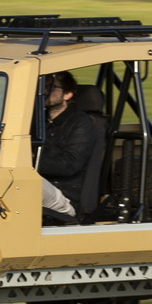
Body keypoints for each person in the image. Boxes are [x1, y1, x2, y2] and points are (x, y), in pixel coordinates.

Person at [36, 71, 100, 223]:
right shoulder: (39, 121)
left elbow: (69, 165)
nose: (44, 91)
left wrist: (31, 161)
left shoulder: (81, 124)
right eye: (43, 87)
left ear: (68, 94)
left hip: (64, 196)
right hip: (40, 185)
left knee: (20, 185)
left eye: (51, 88)